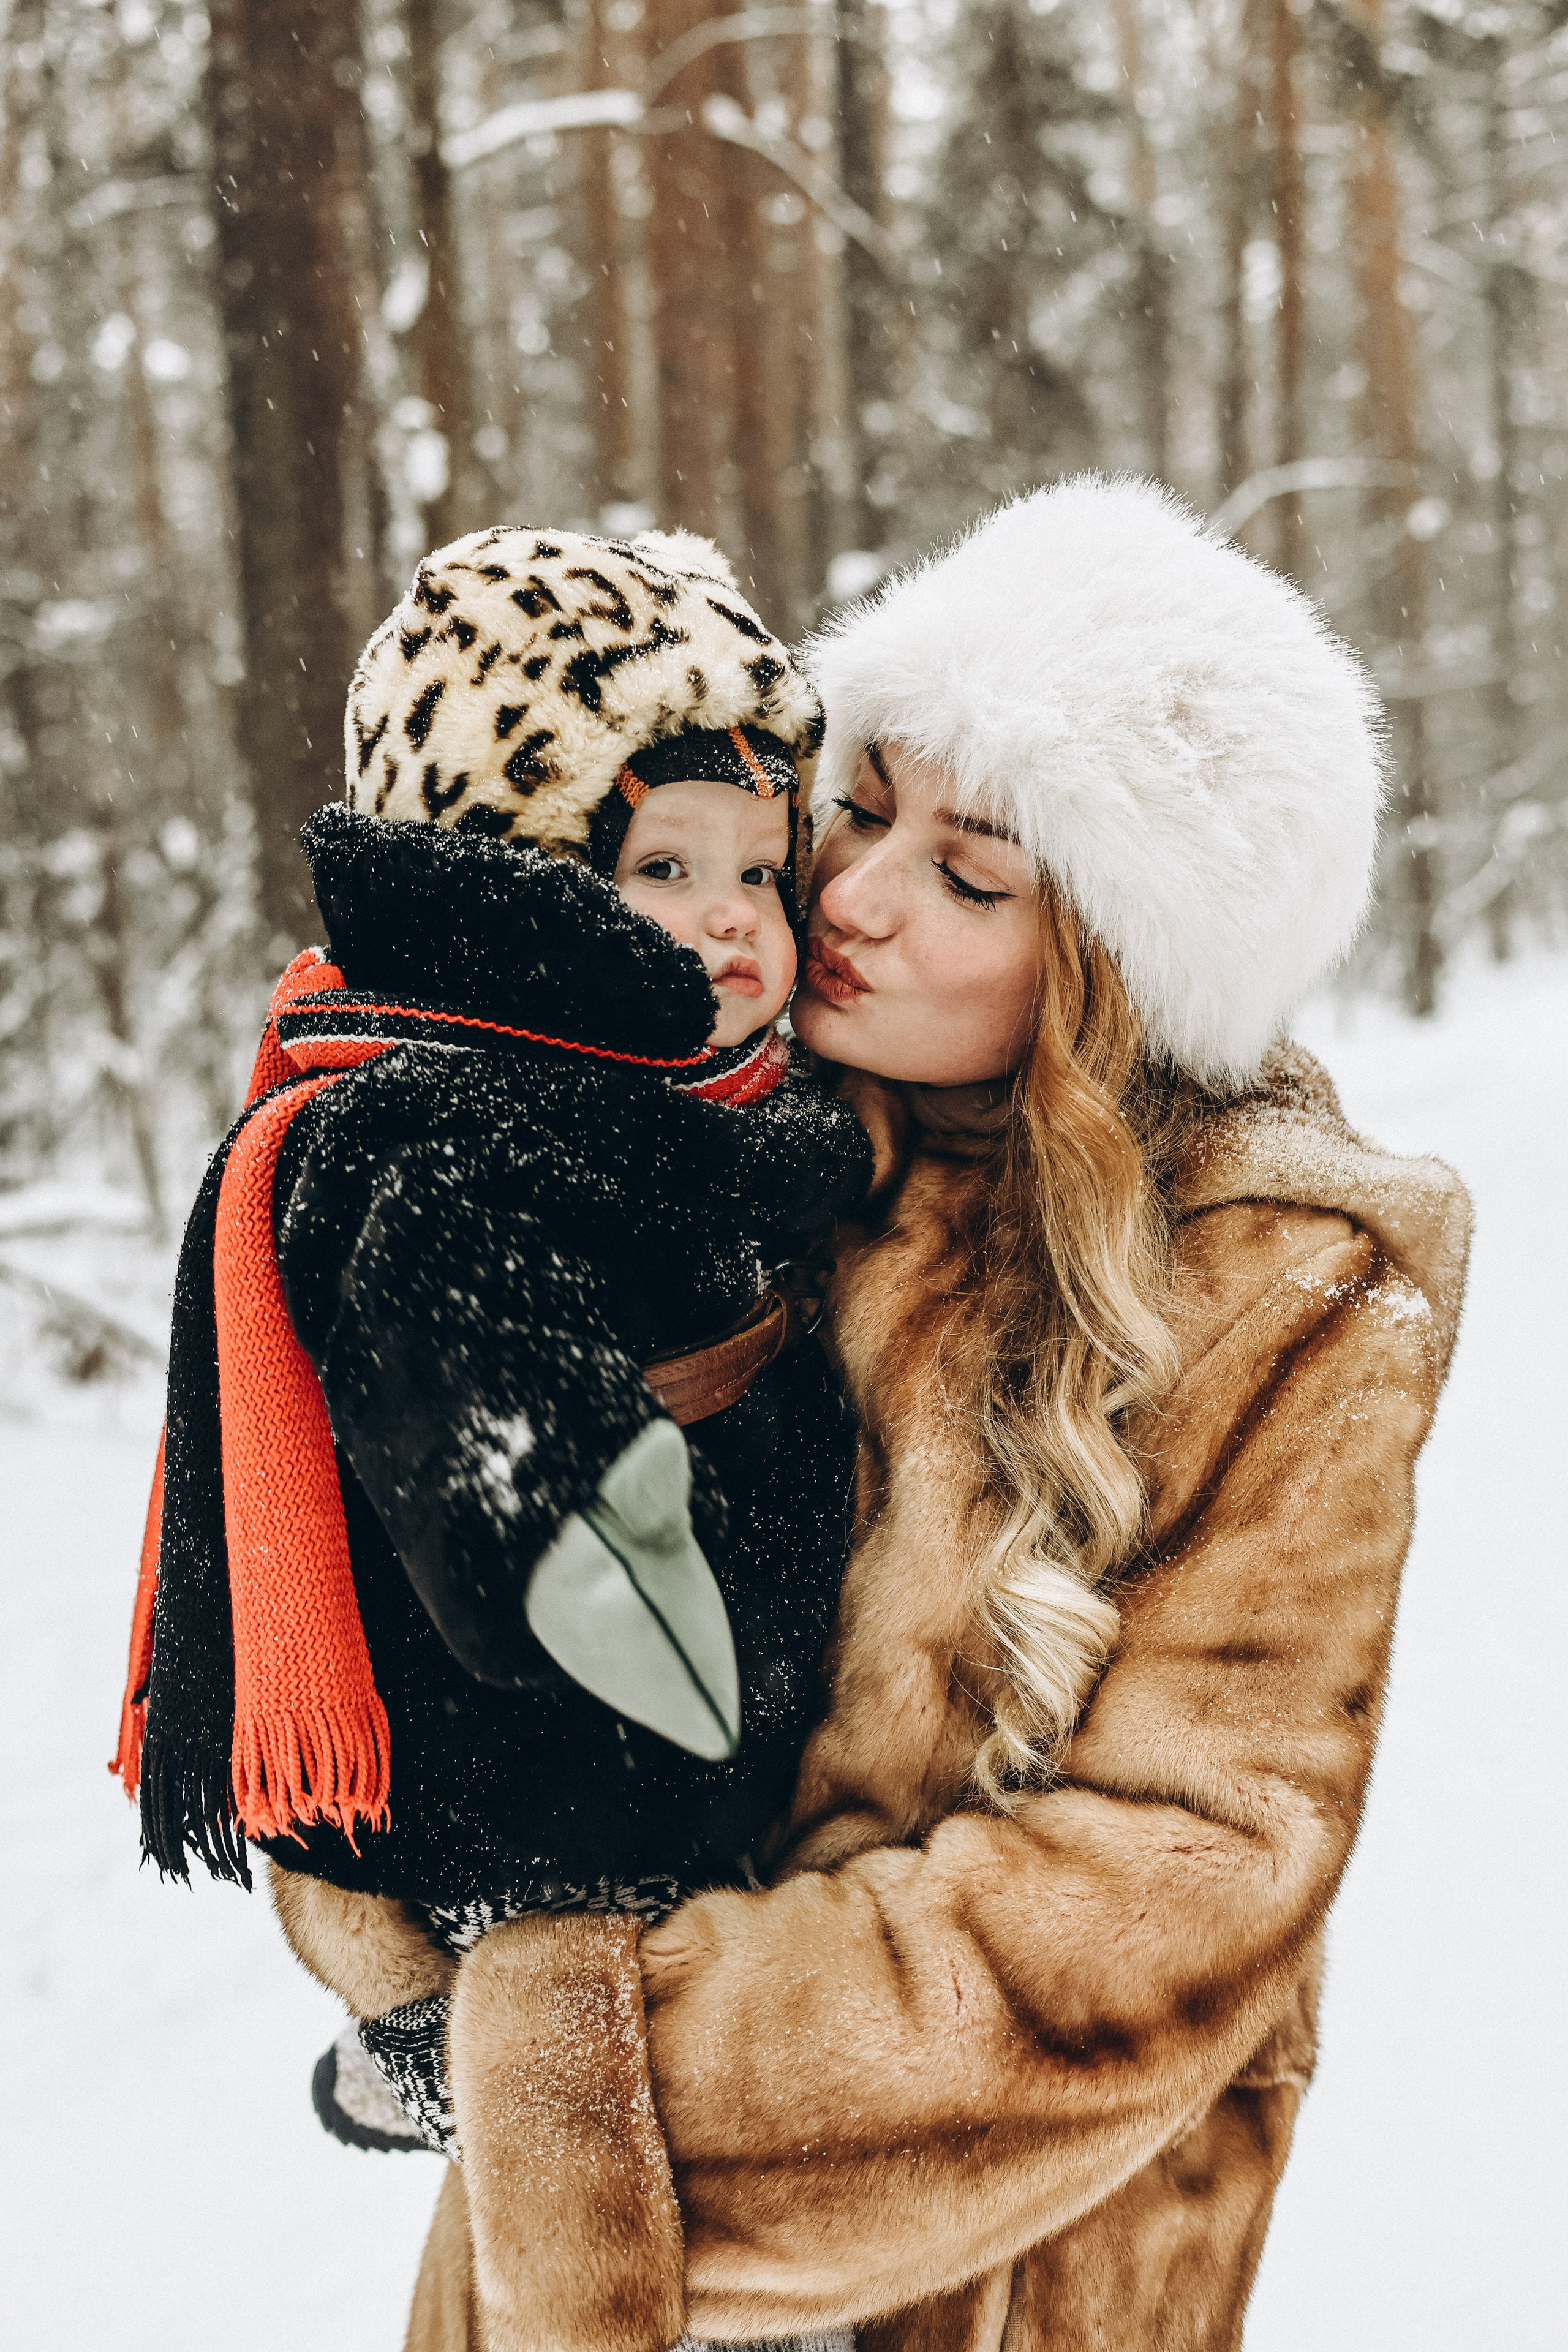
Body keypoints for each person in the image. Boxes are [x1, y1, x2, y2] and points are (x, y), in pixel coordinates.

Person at [273, 479, 1470, 2352]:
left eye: (971, 878)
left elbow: (1162, 1892)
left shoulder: (1280, 1291)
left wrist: (580, 2065)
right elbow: (423, 1634)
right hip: (590, 2255)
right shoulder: (718, 1149)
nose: (850, 895)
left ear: (1112, 973)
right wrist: (417, 1936)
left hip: (986, 2270)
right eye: (863, 804)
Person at [113, 526, 871, 2352]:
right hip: (569, 1781)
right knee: (609, 2155)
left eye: (759, 871)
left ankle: (424, 2046)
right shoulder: (448, 1134)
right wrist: (586, 1532)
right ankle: (448, 2055)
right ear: (520, 882)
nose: (733, 919)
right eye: (663, 866)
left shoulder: (700, 1104)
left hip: (694, 1754)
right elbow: (470, 1372)